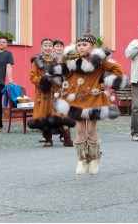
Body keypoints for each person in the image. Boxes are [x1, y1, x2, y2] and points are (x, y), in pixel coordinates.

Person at [47, 34, 128, 175]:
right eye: (79, 45)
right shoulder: (71, 59)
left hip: (93, 99)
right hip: (77, 99)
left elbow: (117, 69)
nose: (81, 47)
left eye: (84, 45)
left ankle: (94, 158)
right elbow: (58, 71)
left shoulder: (98, 60)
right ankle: (82, 159)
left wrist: (104, 82)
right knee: (79, 130)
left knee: (91, 129)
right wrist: (64, 62)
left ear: (92, 46)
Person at [28, 38, 75, 147]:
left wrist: (58, 79)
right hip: (43, 93)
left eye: (50, 46)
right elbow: (32, 77)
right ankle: (48, 139)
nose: (47, 48)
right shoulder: (36, 62)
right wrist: (45, 79)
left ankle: (67, 139)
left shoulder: (59, 60)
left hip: (57, 92)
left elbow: (66, 74)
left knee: (61, 115)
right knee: (44, 116)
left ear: (53, 48)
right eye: (45, 46)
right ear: (41, 47)